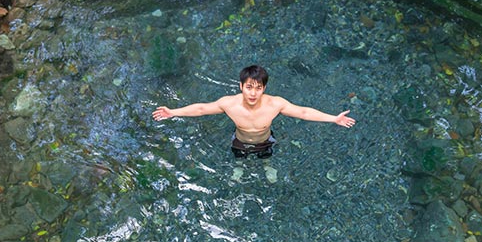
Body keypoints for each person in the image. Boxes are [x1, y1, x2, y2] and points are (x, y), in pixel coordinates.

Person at [152, 65, 356, 159]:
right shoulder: (229, 104)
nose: (253, 93)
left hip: (266, 140)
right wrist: (173, 112)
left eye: (258, 88)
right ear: (241, 86)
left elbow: (303, 112)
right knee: (239, 157)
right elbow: (201, 108)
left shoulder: (275, 104)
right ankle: (239, 168)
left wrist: (333, 118)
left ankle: (267, 166)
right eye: (249, 87)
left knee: (266, 157)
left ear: (264, 88)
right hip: (239, 140)